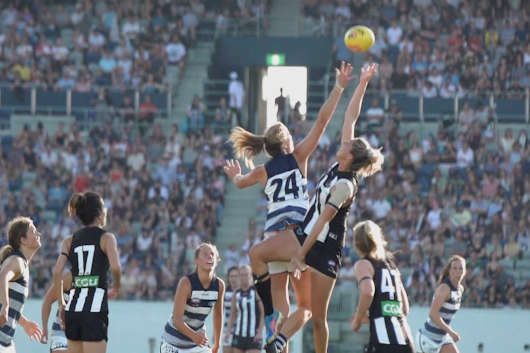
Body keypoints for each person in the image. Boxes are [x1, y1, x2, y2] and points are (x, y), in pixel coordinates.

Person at [224, 61, 357, 345]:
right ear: (286, 143)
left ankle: (273, 322)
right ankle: (278, 330)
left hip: (273, 237)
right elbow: (321, 122)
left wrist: (236, 175)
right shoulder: (297, 157)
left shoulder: (263, 170)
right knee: (305, 308)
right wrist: (338, 88)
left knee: (278, 314)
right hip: (297, 235)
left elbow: (240, 183)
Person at [253, 64, 382, 353]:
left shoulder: (346, 185)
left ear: (351, 157)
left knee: (318, 319)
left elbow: (323, 222)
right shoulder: (341, 164)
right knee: (263, 262)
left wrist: (300, 254)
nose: (341, 144)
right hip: (305, 236)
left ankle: (284, 339)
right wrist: (360, 83)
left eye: (346, 146)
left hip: (324, 249)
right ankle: (277, 334)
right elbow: (351, 115)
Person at [53, 192, 122, 353]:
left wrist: (61, 303)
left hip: (72, 310)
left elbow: (57, 272)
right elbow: (116, 268)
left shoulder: (69, 240)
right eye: (104, 208)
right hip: (94, 311)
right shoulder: (107, 238)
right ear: (99, 214)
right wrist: (117, 285)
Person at [350, 221, 414, 353]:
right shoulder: (392, 266)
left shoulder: (363, 264)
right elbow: (404, 309)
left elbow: (368, 292)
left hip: (383, 340)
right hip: (406, 340)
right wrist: (372, 314)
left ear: (356, 245)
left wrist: (357, 319)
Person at [161, 243, 226, 353]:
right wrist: (194, 336)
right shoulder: (186, 283)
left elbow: (218, 314)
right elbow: (177, 319)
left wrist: (217, 344)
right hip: (173, 342)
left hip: (197, 345)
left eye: (212, 254)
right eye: (205, 254)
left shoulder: (219, 285)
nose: (210, 256)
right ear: (196, 260)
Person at [0, 217, 43, 352]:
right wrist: (6, 305)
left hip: (5, 341)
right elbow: (2, 277)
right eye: (33, 231)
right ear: (23, 240)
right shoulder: (17, 260)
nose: (39, 234)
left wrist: (23, 323)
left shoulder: (21, 263)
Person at [415, 255, 465, 353]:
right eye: (455, 268)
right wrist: (450, 332)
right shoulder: (444, 289)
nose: (458, 271)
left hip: (442, 337)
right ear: (450, 271)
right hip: (427, 339)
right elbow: (432, 314)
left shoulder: (460, 289)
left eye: (461, 268)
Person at [225, 265, 264, 353]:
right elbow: (233, 315)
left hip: (254, 334)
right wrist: (228, 331)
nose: (244, 277)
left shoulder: (256, 292)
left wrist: (260, 332)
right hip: (239, 334)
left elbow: (263, 314)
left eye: (246, 275)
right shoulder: (236, 294)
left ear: (250, 276)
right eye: (242, 275)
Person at [41, 270, 73, 352]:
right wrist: (45, 329)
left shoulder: (98, 277)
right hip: (61, 333)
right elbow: (47, 301)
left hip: (86, 332)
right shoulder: (69, 276)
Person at [223, 267, 240, 353]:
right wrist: (215, 333)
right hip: (226, 331)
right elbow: (219, 313)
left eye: (236, 276)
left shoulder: (245, 292)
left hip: (241, 332)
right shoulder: (224, 292)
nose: (233, 279)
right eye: (231, 276)